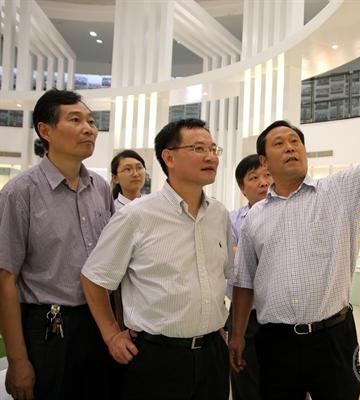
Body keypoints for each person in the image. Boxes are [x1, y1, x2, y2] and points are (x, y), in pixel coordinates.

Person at [229, 86, 360, 400]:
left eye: (295, 141)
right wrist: (238, 334)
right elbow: (244, 282)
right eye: (279, 144)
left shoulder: (337, 192)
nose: (290, 147)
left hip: (333, 337)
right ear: (264, 161)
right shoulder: (255, 217)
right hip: (276, 342)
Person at [80, 118, 233, 400]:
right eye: (199, 148)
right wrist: (111, 335)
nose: (211, 156)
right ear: (169, 157)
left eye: (213, 149)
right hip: (157, 357)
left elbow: (220, 275)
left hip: (212, 354)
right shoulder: (136, 215)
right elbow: (94, 278)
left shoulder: (219, 214)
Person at [0, 89, 116, 400]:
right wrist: (17, 361)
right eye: (75, 120)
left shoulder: (100, 188)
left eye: (91, 121)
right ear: (45, 130)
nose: (89, 129)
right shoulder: (20, 193)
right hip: (49, 328)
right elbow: (5, 278)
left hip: (100, 323)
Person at [228, 154, 272, 400]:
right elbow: (232, 261)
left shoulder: (288, 214)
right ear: (242, 188)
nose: (263, 182)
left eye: (267, 175)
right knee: (246, 383)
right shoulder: (232, 220)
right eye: (254, 178)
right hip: (244, 316)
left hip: (280, 317)